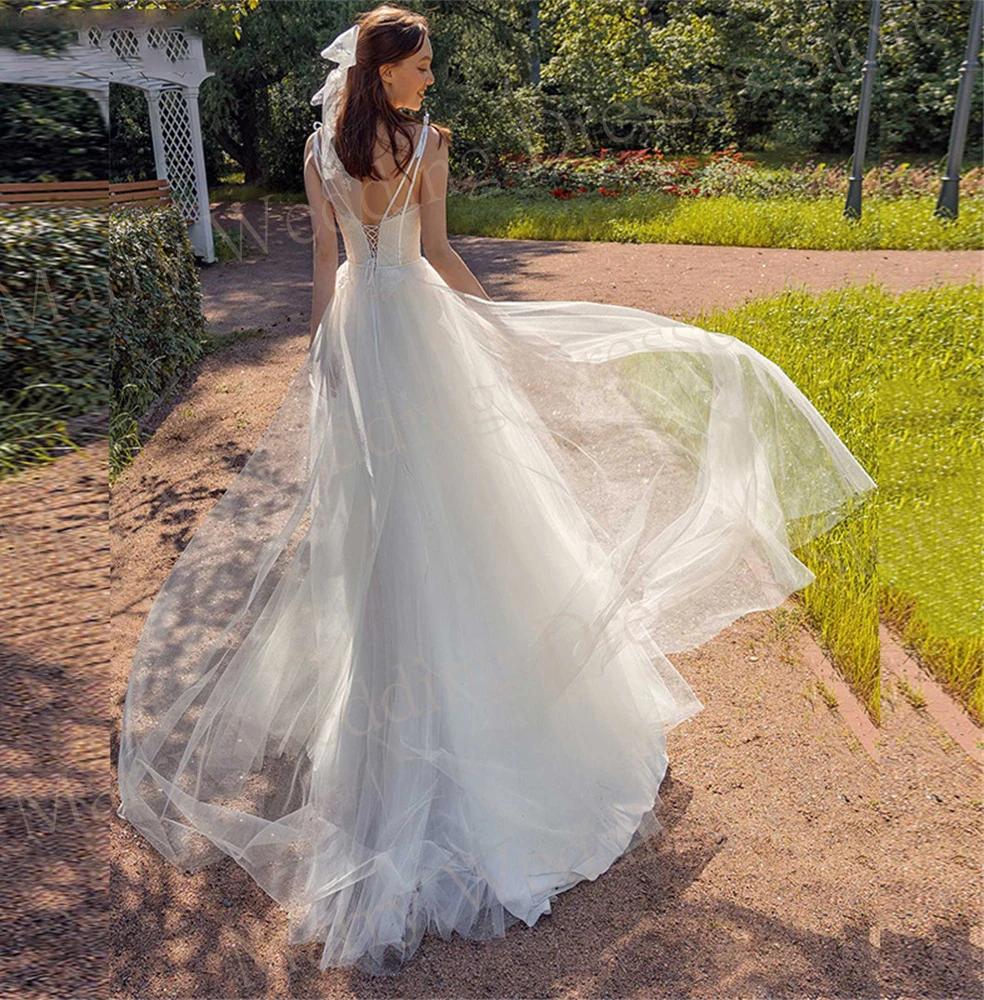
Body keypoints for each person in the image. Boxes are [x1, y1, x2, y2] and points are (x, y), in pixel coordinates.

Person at [116, 4, 876, 978]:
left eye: (428, 65)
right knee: (457, 520)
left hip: (361, 336)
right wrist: (497, 327)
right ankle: (476, 737)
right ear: (384, 71)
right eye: (420, 63)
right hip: (421, 337)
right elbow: (432, 255)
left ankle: (398, 739)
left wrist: (324, 360)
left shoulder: (321, 152)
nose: (430, 77)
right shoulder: (425, 145)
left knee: (392, 531)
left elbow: (322, 263)